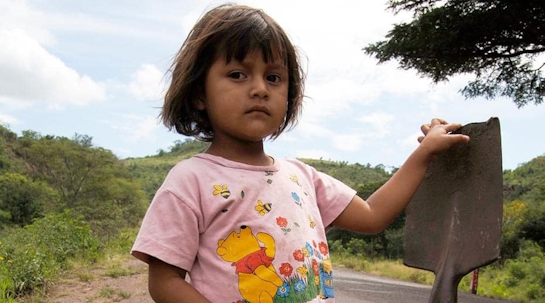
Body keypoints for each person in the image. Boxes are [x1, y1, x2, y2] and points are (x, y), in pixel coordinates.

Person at [131, 3, 470, 303]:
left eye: (275, 77)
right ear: (198, 94)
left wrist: (424, 155)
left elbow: (373, 215)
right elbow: (164, 282)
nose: (260, 89)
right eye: (237, 74)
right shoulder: (191, 180)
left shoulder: (301, 177)